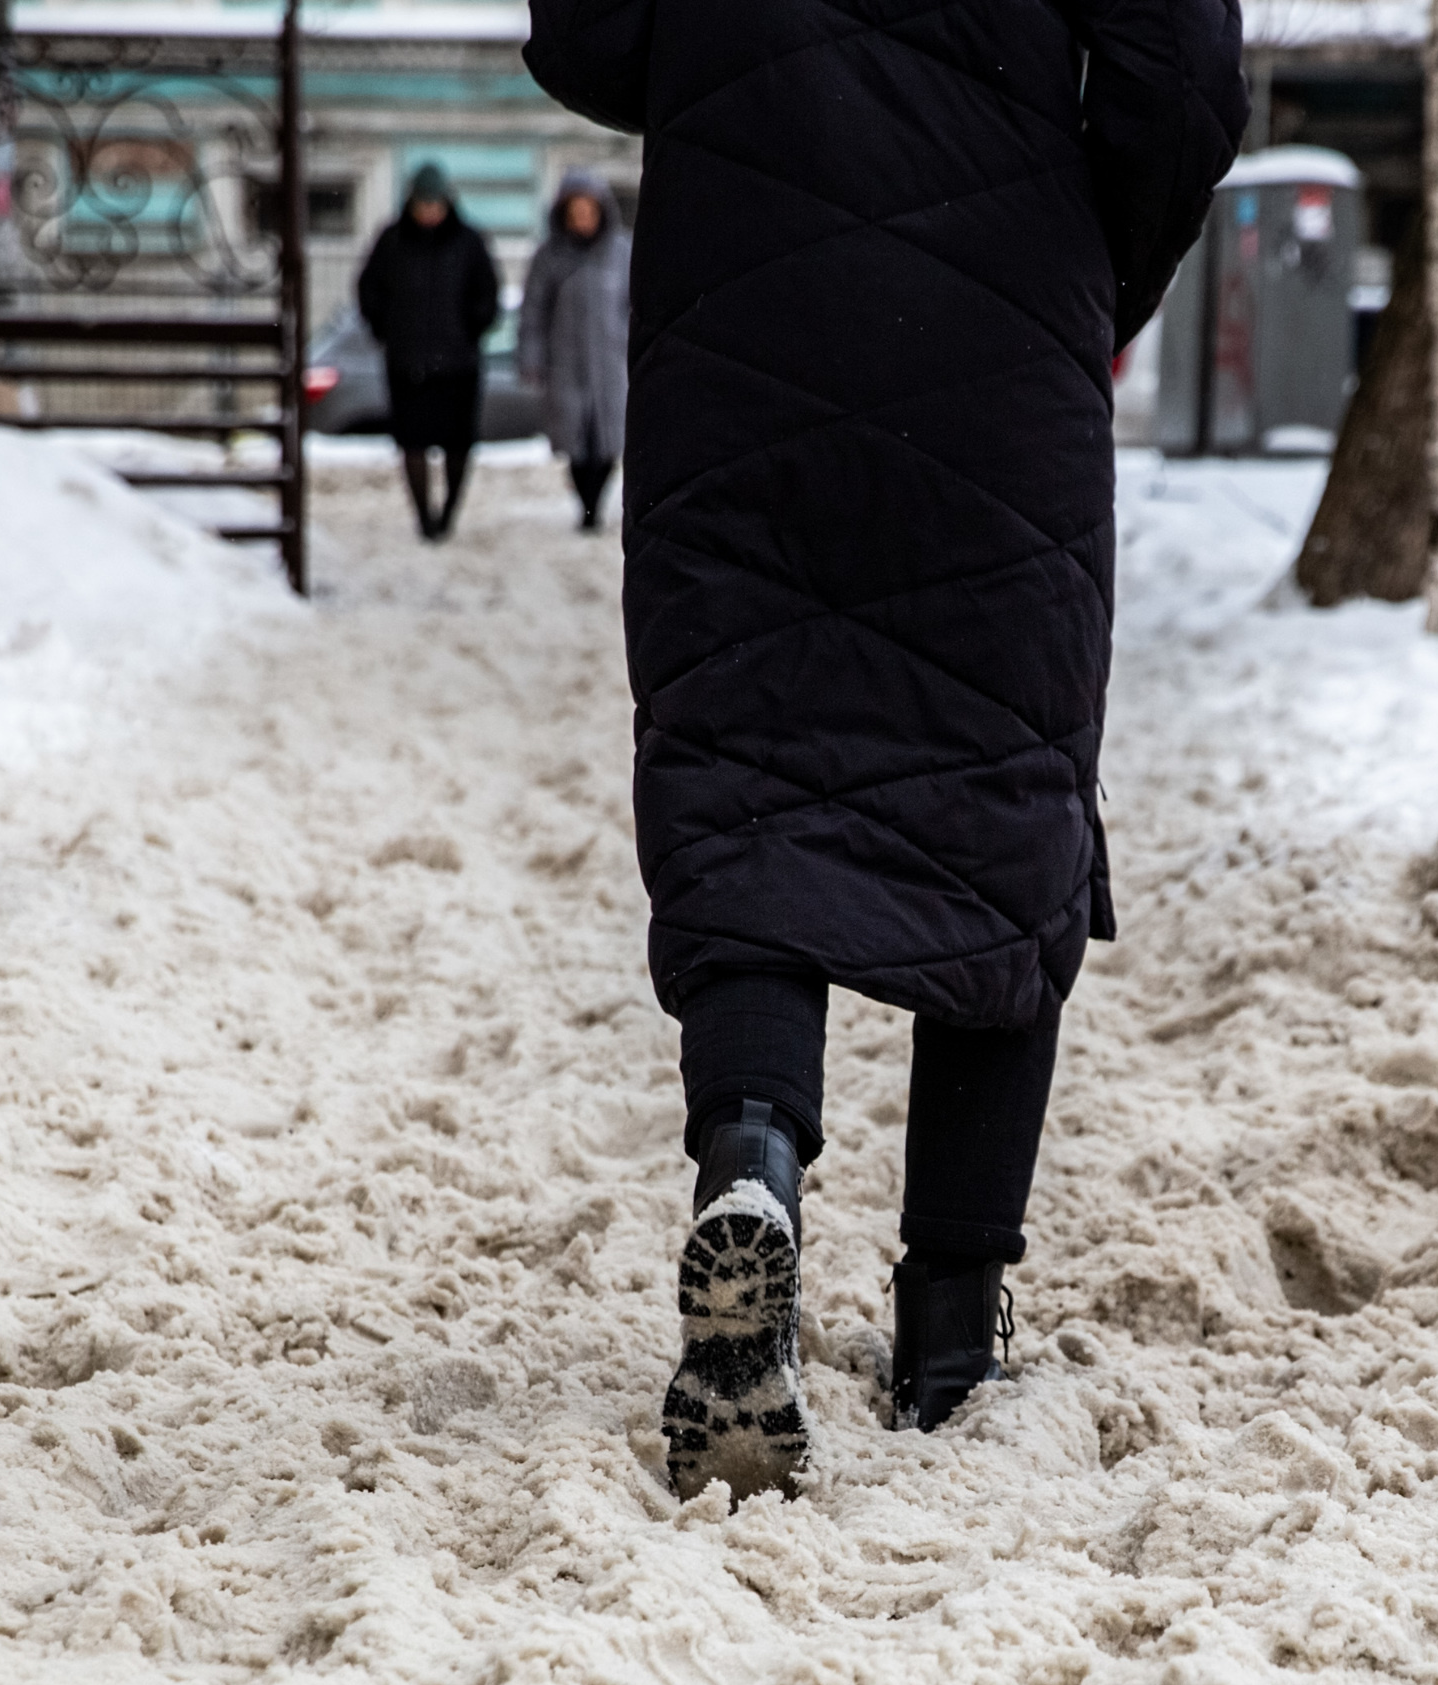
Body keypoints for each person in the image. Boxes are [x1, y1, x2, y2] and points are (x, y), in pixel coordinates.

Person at [524, 0, 1246, 1503]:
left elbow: (593, 38)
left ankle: (751, 1166)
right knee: (996, 780)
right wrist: (1083, 268)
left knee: (745, 770)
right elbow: (1182, 86)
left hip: (740, 325)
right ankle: (948, 1332)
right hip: (1003, 340)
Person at [355, 164, 500, 541]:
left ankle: (448, 515)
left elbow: (488, 295)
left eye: (435, 204)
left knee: (457, 446)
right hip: (408, 365)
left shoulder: (469, 242)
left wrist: (470, 329)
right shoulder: (392, 241)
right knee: (412, 443)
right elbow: (368, 291)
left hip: (458, 366)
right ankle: (423, 518)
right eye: (423, 203)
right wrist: (387, 329)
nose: (429, 212)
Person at [518, 170, 630, 533]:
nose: (583, 218)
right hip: (566, 363)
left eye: (589, 210)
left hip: (612, 364)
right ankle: (586, 507)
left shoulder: (621, 255)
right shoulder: (549, 257)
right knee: (577, 443)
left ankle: (595, 506)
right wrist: (532, 358)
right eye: (576, 211)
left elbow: (636, 309)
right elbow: (533, 311)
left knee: (608, 442)